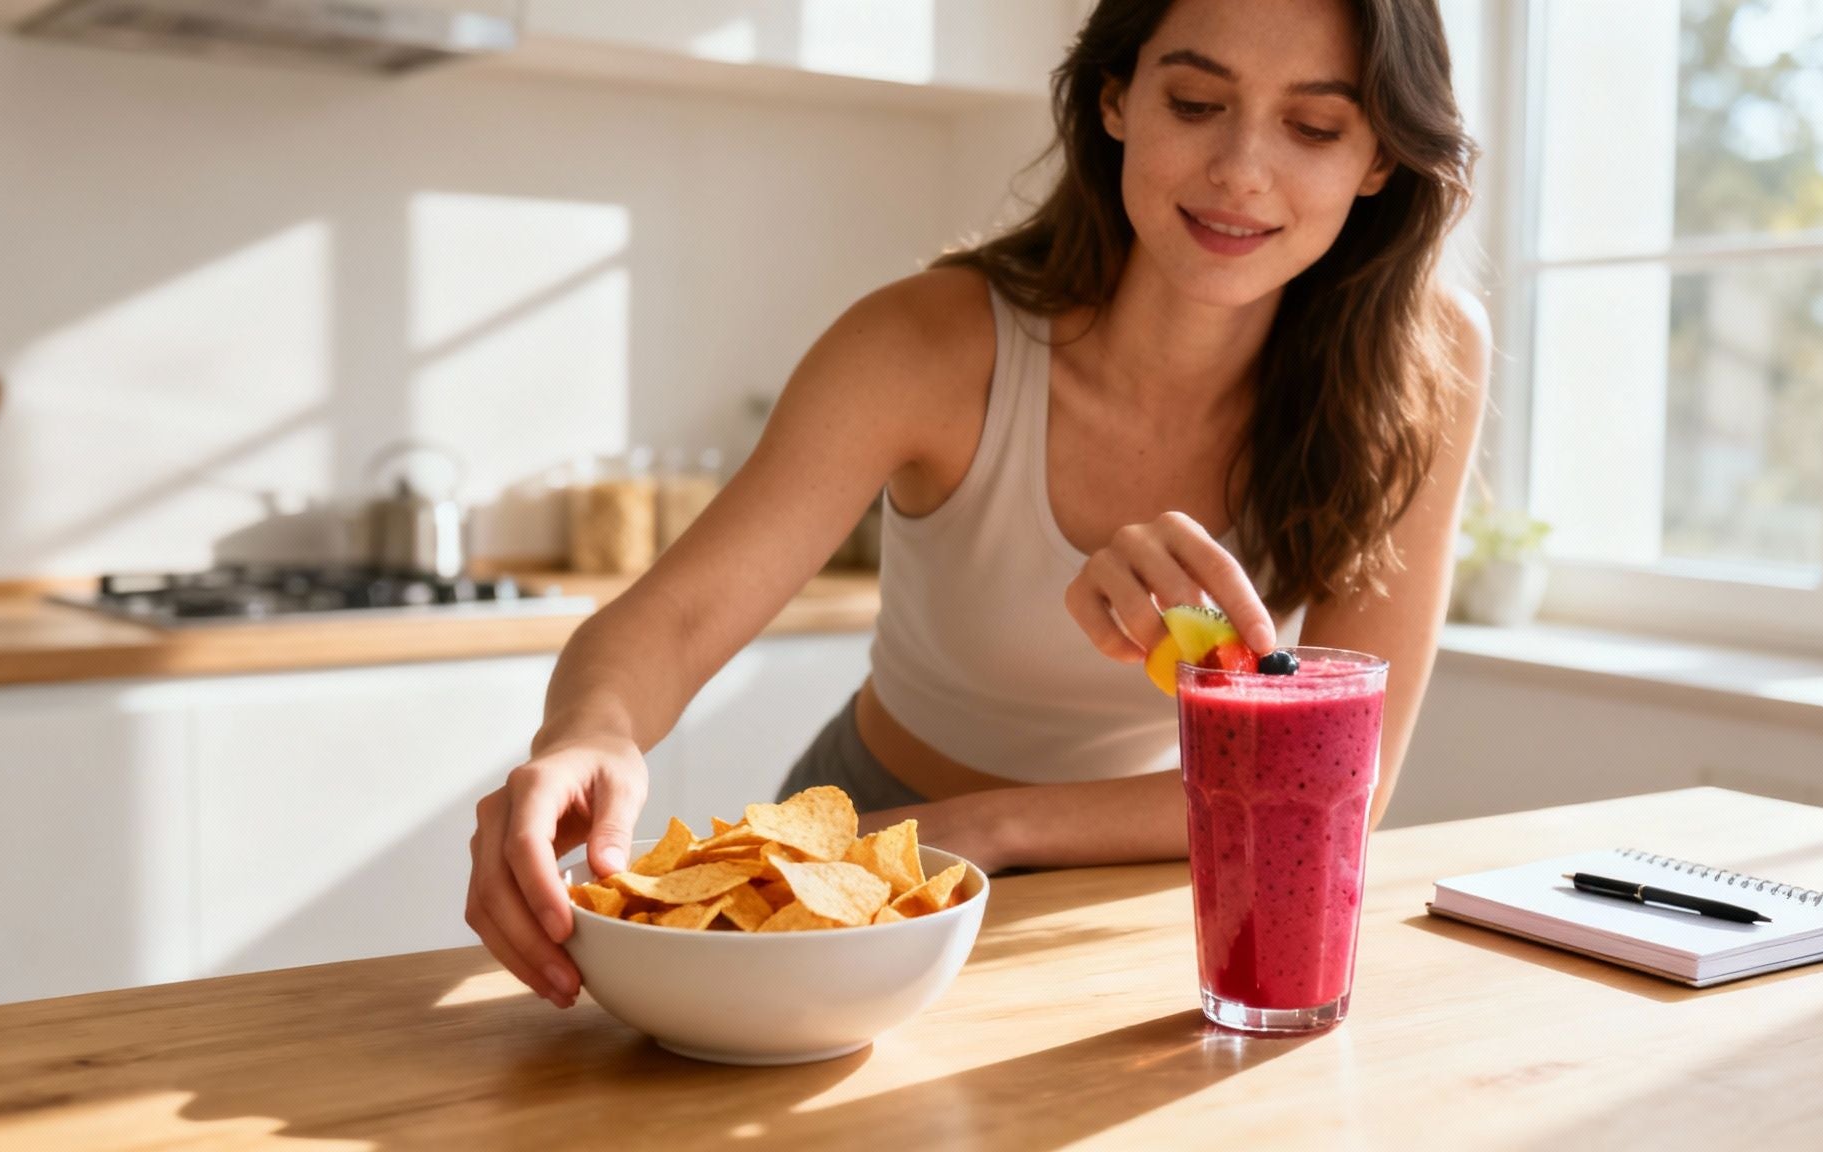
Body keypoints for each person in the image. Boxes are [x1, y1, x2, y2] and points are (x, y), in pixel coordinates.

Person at [467, 0, 1488, 1009]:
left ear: (1379, 158)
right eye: (1192, 103)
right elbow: (679, 616)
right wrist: (587, 736)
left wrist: (993, 826)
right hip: (870, 851)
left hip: (1147, 874)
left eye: (1313, 126)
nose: (1239, 171)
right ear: (1114, 101)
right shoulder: (922, 344)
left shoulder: (1425, 361)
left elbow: (1341, 785)